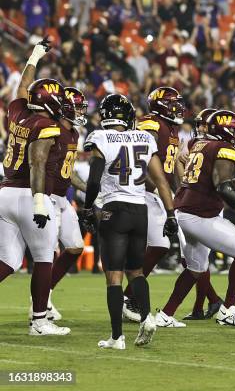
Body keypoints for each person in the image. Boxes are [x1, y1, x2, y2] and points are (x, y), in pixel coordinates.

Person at [81, 93, 178, 349]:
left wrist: (89, 207)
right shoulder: (145, 137)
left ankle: (117, 337)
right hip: (140, 210)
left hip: (115, 209)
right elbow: (160, 181)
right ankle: (147, 317)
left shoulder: (101, 137)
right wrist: (170, 214)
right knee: (136, 271)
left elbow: (93, 180)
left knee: (113, 276)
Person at [155, 109, 235, 328]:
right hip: (200, 215)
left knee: (195, 268)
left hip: (184, 212)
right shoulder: (223, 148)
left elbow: (214, 181)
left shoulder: (200, 145)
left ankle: (166, 314)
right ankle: (229, 309)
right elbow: (222, 187)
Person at [0, 39, 72, 336]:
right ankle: (40, 322)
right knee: (44, 258)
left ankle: (41, 320)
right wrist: (41, 203)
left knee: (7, 261)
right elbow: (38, 163)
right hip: (28, 195)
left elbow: (21, 89)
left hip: (4, 193)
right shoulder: (46, 125)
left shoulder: (18, 112)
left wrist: (34, 56)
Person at [122, 86, 184, 322]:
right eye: (173, 103)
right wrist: (156, 187)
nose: (178, 108)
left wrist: (178, 190)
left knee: (160, 243)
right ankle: (129, 297)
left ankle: (129, 296)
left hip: (158, 192)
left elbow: (171, 163)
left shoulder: (172, 127)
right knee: (158, 243)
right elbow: (141, 161)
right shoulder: (151, 124)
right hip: (142, 191)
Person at [41, 87, 89, 320]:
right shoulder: (53, 130)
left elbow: (68, 172)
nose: (81, 112)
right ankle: (40, 304)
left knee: (74, 248)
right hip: (47, 197)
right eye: (78, 107)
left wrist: (89, 190)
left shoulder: (74, 134)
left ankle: (45, 294)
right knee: (45, 253)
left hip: (62, 197)